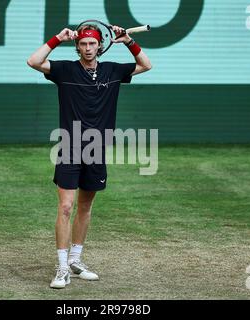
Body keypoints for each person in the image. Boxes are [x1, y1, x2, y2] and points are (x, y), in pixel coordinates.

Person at [27, 24, 152, 289]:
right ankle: (61, 268)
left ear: (100, 46)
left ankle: (75, 260)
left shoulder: (113, 71)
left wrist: (128, 41)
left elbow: (145, 64)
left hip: (97, 149)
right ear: (77, 46)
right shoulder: (64, 70)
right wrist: (57, 38)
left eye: (92, 44)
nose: (87, 48)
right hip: (70, 146)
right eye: (83, 44)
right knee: (66, 207)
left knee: (85, 207)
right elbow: (33, 61)